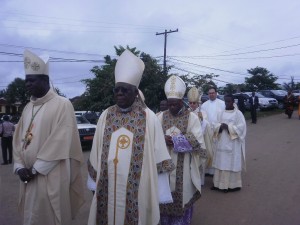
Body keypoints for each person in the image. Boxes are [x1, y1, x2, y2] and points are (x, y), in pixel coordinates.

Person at [87, 50, 174, 225]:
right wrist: (93, 182)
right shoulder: (106, 115)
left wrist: (161, 192)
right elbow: (96, 150)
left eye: (124, 90)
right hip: (107, 184)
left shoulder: (148, 117)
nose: (119, 93)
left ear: (135, 93)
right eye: (116, 90)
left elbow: (159, 158)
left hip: (137, 189)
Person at [13, 50, 85, 225]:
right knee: (31, 217)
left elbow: (60, 140)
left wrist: (35, 169)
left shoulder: (62, 104)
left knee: (51, 217)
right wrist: (19, 166)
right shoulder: (28, 107)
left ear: (45, 81)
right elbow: (18, 140)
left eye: (32, 80)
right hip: (27, 176)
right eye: (26, 81)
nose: (28, 84)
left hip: (50, 174)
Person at [157, 76, 206, 225]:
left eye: (175, 104)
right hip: (163, 165)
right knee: (163, 197)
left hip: (183, 165)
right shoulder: (159, 117)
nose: (171, 107)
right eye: (169, 104)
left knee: (182, 195)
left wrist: (177, 140)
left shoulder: (192, 117)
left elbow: (197, 140)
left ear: (181, 101)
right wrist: (161, 139)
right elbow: (152, 138)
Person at [211, 94, 246, 193]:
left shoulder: (238, 114)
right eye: (225, 101)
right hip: (221, 142)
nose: (227, 103)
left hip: (232, 144)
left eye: (229, 101)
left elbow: (242, 127)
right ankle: (218, 184)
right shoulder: (221, 113)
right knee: (220, 162)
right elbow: (214, 124)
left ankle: (232, 185)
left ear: (233, 102)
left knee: (230, 163)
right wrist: (219, 127)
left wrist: (229, 127)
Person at [187, 87, 213, 186]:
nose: (192, 105)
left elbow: (207, 127)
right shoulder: (186, 112)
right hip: (189, 141)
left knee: (200, 161)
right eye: (190, 103)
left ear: (198, 103)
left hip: (200, 140)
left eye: (194, 103)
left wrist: (202, 120)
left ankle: (200, 181)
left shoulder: (203, 113)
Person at [200, 86, 225, 176]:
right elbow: (203, 118)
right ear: (208, 94)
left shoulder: (222, 104)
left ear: (216, 93)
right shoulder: (204, 105)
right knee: (209, 149)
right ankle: (208, 170)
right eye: (210, 93)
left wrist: (220, 127)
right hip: (208, 131)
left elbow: (224, 116)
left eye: (213, 93)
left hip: (219, 130)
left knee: (218, 150)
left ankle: (216, 170)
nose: (211, 94)